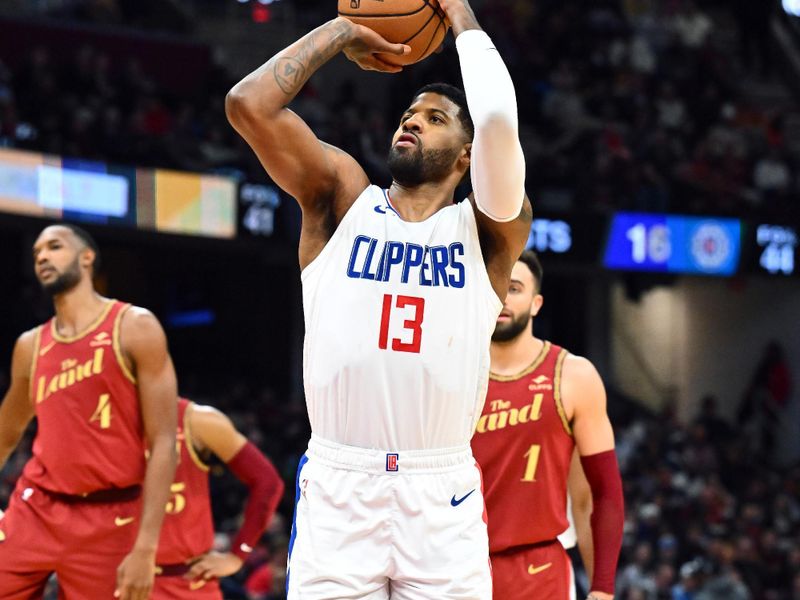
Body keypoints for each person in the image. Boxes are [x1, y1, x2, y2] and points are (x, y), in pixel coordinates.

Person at [225, 0, 531, 596]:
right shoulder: (341, 200)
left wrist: (458, 11)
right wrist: (343, 31)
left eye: (436, 118)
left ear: (467, 158)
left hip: (440, 489)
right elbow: (247, 105)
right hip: (341, 482)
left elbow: (496, 117)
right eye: (410, 113)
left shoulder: (491, 230)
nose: (411, 121)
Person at [0, 223, 178, 600]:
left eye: (54, 247)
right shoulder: (30, 346)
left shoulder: (135, 327)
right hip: (37, 507)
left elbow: (164, 441)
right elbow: (7, 431)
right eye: (36, 254)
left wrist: (146, 548)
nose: (43, 257)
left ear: (87, 257)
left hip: (111, 517)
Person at [471, 250, 624, 600]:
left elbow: (597, 494)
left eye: (514, 288)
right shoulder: (450, 374)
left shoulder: (574, 375)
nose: (502, 297)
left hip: (539, 570)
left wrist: (602, 588)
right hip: (455, 568)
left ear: (536, 303)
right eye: (494, 285)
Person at [152, 397, 285, 598]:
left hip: (183, 581)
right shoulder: (101, 421)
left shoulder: (196, 419)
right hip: (110, 574)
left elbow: (268, 483)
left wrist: (237, 556)